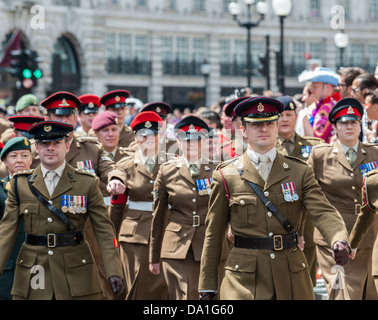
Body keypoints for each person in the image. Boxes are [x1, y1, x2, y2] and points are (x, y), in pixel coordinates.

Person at [198, 96, 350, 300]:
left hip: (290, 273)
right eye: (255, 125)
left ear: (277, 127)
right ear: (243, 130)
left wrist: (338, 237)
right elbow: (214, 234)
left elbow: (322, 211)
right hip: (243, 279)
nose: (264, 129)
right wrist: (207, 285)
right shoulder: (226, 174)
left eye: (270, 123)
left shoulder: (299, 171)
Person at [0, 120, 124, 299]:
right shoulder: (21, 184)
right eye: (44, 143)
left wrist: (114, 270)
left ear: (67, 146)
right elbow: (6, 232)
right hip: (35, 269)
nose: (50, 148)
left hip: (76, 269)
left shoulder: (86, 183)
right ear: (37, 147)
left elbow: (104, 230)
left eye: (56, 143)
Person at [42, 91, 126, 299]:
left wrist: (116, 179)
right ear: (48, 119)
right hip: (49, 235)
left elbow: (110, 167)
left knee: (98, 285)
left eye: (68, 115)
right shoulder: (40, 152)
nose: (64, 121)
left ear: (75, 118)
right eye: (58, 116)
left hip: (87, 233)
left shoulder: (90, 148)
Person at [149, 115, 228, 300]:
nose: (192, 144)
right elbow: (159, 216)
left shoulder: (219, 168)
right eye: (186, 139)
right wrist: (154, 256)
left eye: (197, 139)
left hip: (211, 244)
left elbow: (228, 209)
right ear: (178, 141)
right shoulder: (167, 170)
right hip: (177, 246)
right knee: (185, 296)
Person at [307, 97, 378, 299]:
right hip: (335, 238)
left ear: (359, 125)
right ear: (335, 127)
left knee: (370, 292)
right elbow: (309, 196)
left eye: (353, 122)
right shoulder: (320, 155)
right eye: (343, 123)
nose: (349, 127)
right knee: (342, 293)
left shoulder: (375, 154)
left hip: (370, 235)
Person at [109, 111, 170, 300]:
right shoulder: (126, 164)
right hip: (135, 236)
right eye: (143, 135)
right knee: (137, 288)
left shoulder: (173, 163)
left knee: (165, 288)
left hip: (168, 232)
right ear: (136, 137)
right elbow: (117, 205)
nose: (148, 139)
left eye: (153, 134)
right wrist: (112, 239)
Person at [275, 95, 323, 286]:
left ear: (296, 117)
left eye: (289, 114)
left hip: (308, 220)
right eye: (280, 115)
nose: (284, 119)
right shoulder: (264, 147)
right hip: (277, 219)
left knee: (307, 279)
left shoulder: (315, 146)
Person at [0, 137, 33, 299]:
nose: (19, 160)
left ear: (32, 159)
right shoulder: (0, 191)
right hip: (8, 269)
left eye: (24, 155)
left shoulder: (44, 190)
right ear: (5, 161)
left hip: (39, 268)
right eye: (13, 156)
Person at [349, 168, 378, 292]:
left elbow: (365, 216)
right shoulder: (372, 181)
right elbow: (365, 216)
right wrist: (353, 244)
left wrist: (352, 244)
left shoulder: (372, 180)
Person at [298, 67, 341, 143]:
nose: (312, 90)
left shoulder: (327, 107)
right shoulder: (333, 104)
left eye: (315, 87)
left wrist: (302, 115)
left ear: (327, 87)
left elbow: (315, 139)